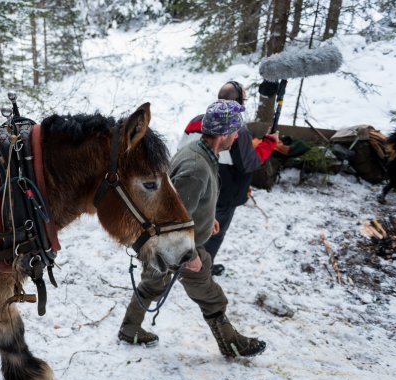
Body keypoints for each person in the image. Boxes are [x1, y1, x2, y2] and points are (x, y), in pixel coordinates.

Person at [118, 99, 266, 359]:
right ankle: (230, 343)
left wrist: (208, 217)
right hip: (180, 246)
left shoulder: (199, 152)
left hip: (175, 243)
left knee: (153, 282)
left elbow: (186, 203)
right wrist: (190, 256)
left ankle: (130, 328)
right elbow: (171, 218)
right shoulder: (196, 168)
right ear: (222, 135)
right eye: (234, 131)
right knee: (208, 292)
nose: (237, 136)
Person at [179, 81, 279, 276]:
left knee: (194, 226)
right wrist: (269, 142)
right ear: (239, 102)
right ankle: (201, 270)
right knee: (213, 235)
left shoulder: (196, 120)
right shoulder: (234, 128)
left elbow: (181, 148)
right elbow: (249, 163)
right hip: (223, 194)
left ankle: (190, 261)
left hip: (196, 187)